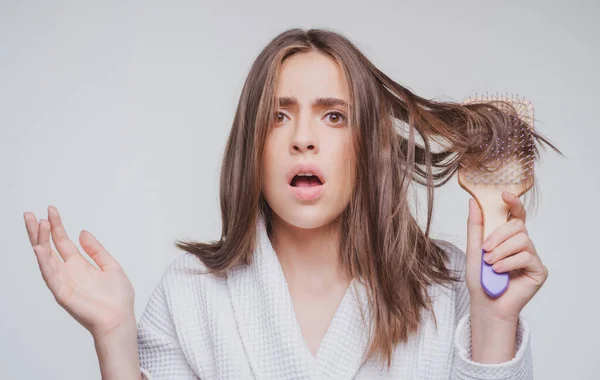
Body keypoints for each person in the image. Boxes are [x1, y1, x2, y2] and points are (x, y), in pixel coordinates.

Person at [23, 28, 560, 379]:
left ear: (368, 144)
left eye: (333, 116)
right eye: (279, 116)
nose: (303, 138)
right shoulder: (190, 295)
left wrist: (493, 321)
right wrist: (115, 337)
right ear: (251, 146)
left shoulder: (449, 286)